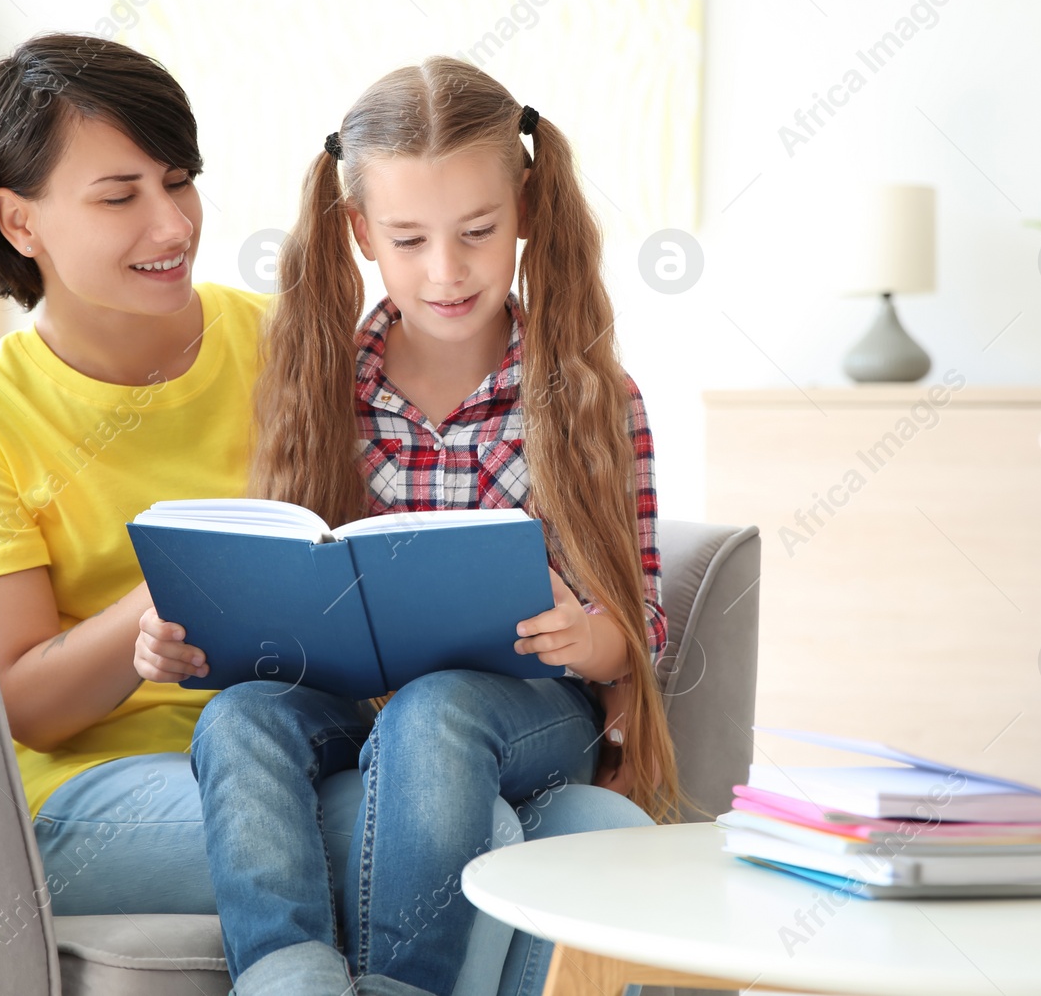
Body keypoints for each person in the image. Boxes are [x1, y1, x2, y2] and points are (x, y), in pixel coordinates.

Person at [0, 35, 641, 994]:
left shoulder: (292, 344)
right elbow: (27, 703)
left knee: (602, 839)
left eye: (179, 182)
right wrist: (182, 591)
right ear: (19, 220)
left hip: (334, 731)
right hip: (118, 778)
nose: (172, 223)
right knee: (481, 837)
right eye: (119, 195)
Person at [138, 57, 677, 996]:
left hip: (522, 711)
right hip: (353, 701)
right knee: (238, 719)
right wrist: (185, 634)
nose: (446, 269)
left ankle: (403, 986)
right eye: (409, 237)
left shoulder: (592, 395)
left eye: (478, 231)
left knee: (438, 710)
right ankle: (286, 975)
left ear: (526, 212)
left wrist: (590, 636)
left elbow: (641, 627)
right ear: (359, 232)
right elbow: (279, 578)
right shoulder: (322, 383)